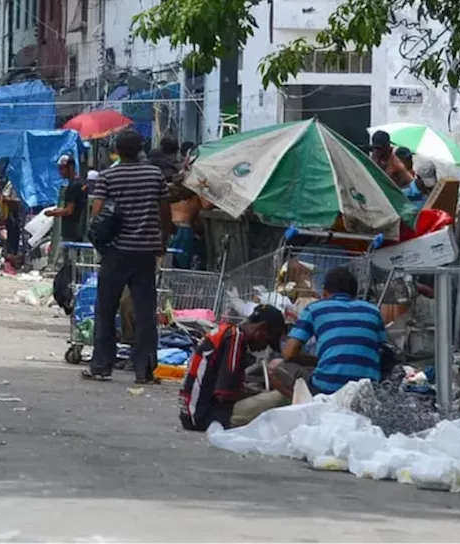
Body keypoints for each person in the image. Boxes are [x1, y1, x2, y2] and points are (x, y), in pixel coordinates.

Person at [82, 130, 170, 385]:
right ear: (141, 148)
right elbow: (164, 211)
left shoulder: (108, 176)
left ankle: (101, 366)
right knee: (144, 312)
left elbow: (97, 213)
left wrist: (101, 242)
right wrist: (162, 241)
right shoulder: (154, 175)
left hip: (115, 252)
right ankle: (145, 370)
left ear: (117, 151)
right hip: (145, 252)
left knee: (106, 309)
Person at [268, 267, 385, 396]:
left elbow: (289, 353)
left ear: (324, 293)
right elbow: (381, 349)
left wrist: (316, 360)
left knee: (275, 369)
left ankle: (310, 405)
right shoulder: (373, 310)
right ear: (355, 294)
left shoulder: (314, 309)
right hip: (366, 390)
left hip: (326, 388)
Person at [179, 305, 287, 431]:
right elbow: (224, 393)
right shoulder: (235, 339)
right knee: (281, 397)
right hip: (204, 417)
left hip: (190, 414)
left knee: (266, 398)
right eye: (268, 341)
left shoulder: (226, 331)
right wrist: (258, 394)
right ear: (261, 329)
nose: (264, 347)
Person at [45, 152, 88, 252]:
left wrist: (53, 213)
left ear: (71, 167)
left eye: (62, 168)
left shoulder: (72, 187)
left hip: (72, 230)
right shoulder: (81, 182)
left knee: (71, 258)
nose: (60, 171)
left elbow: (69, 210)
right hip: (80, 229)